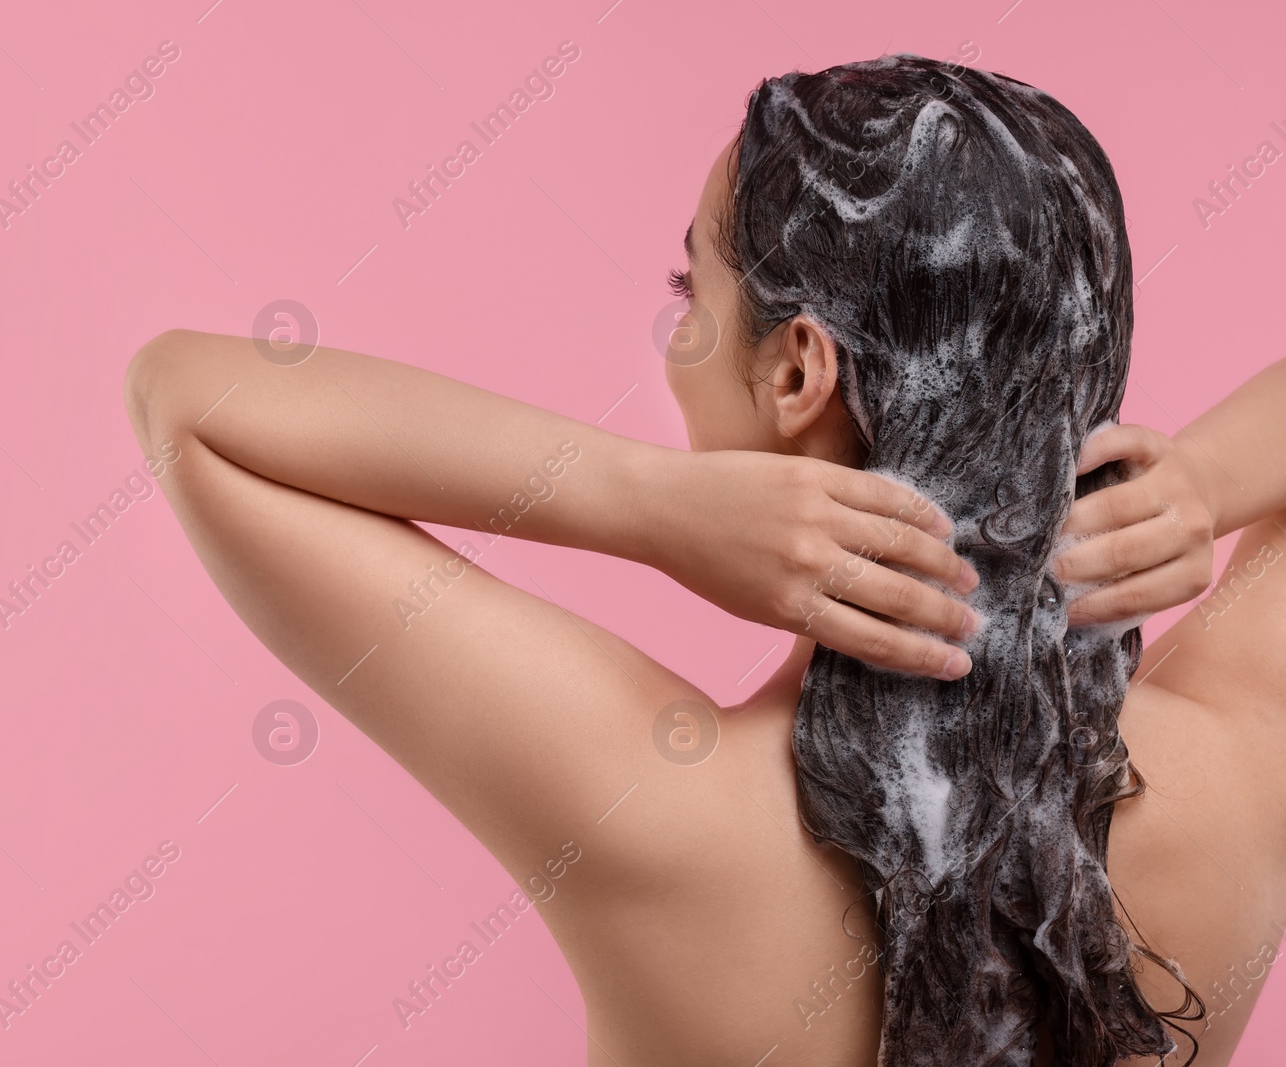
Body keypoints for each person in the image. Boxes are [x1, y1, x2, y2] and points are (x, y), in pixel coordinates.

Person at [123, 55, 1285, 1067]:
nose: (677, 336)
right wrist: (1200, 480)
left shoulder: (654, 807)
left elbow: (188, 397)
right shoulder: (1237, 767)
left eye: (694, 293)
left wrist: (648, 501)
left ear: (795, 374)